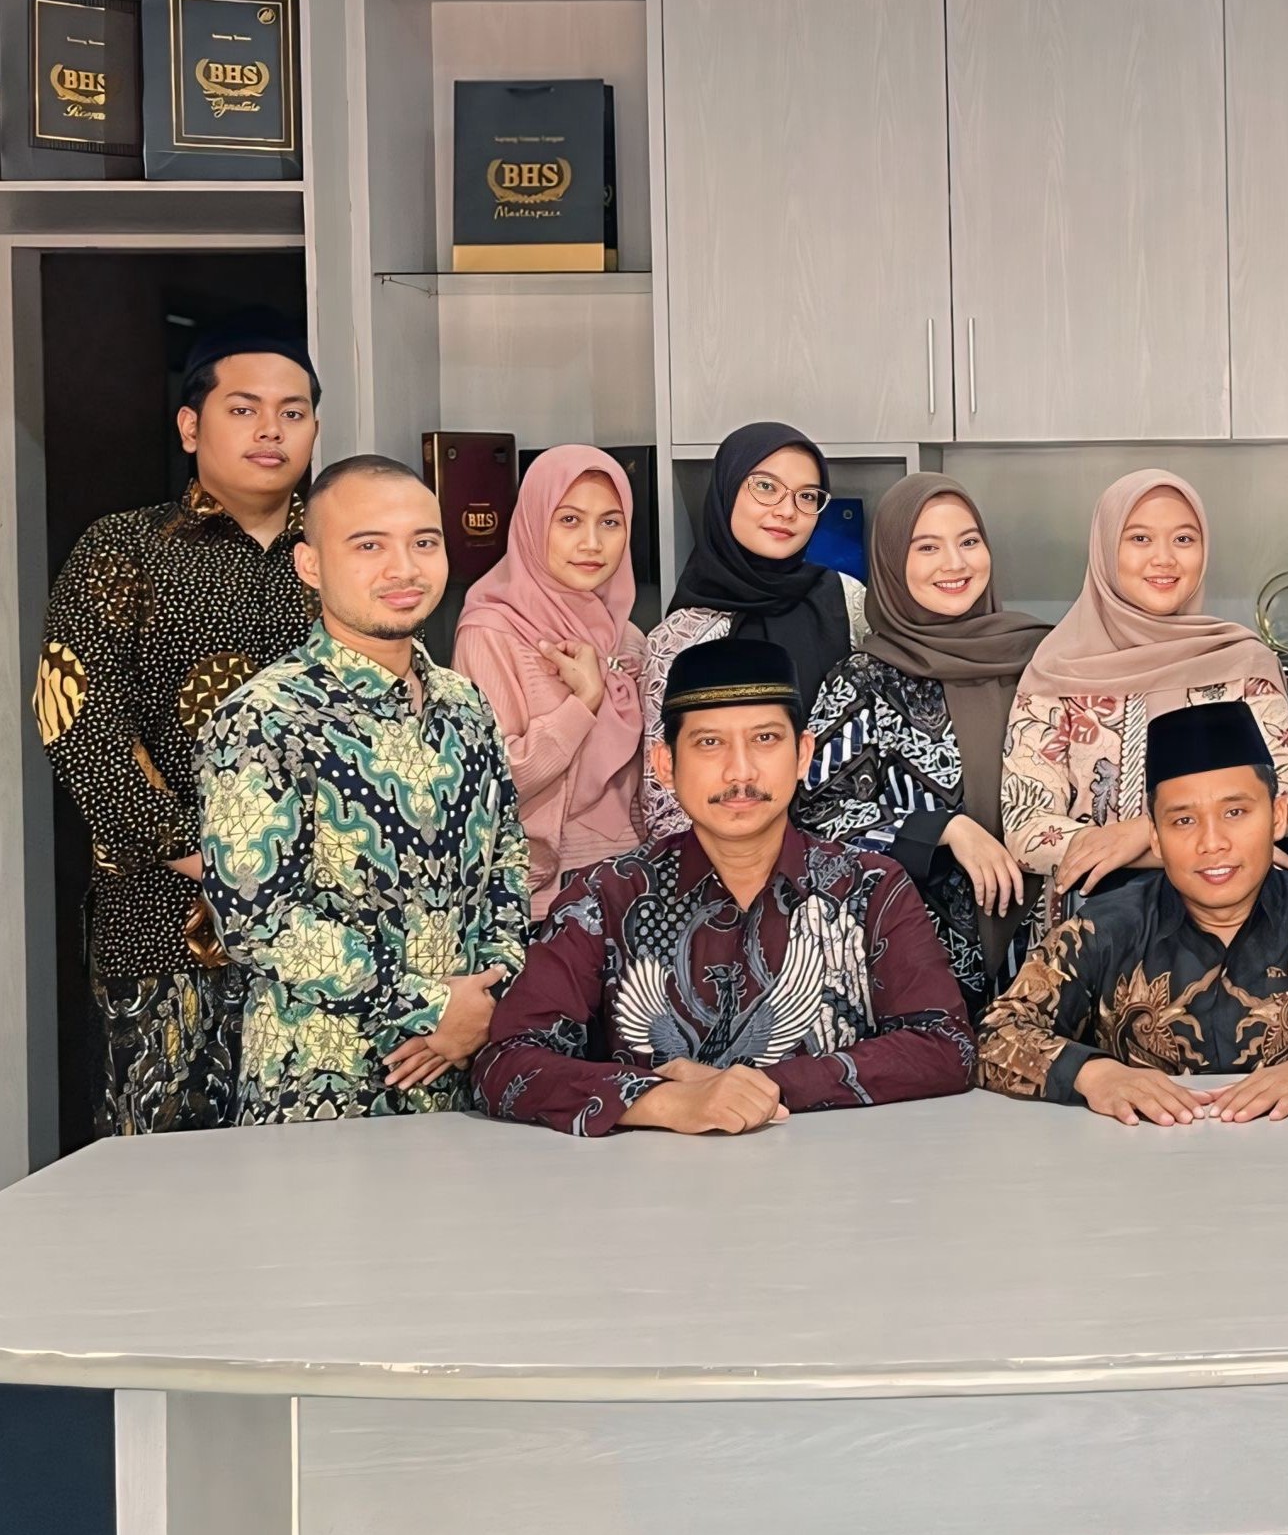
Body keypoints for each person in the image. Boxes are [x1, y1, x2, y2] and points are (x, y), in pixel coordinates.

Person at [474, 640, 975, 1135]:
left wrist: (762, 1089)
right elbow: (507, 1063)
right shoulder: (605, 896)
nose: (741, 772)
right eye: (710, 743)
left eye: (765, 739)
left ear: (803, 754)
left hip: (833, 1176)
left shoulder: (870, 888)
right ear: (665, 765)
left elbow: (945, 1046)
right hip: (649, 1181)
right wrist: (660, 1100)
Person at [31, 308, 322, 1136]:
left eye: (293, 411)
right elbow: (76, 718)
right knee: (164, 1173)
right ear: (191, 425)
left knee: (325, 1175)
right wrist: (205, 854)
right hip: (164, 925)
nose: (271, 430)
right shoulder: (125, 548)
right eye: (244, 408)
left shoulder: (346, 552)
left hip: (324, 935)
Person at [197, 455, 529, 1124]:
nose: (404, 568)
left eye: (424, 542)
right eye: (369, 545)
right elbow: (257, 920)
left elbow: (509, 863)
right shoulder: (264, 717)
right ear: (310, 564)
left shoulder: (465, 703)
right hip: (319, 1094)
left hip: (468, 1083)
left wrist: (487, 997)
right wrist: (432, 1006)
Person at [980, 700, 1288, 1125]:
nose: (1212, 843)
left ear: (1277, 816)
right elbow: (995, 1035)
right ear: (1154, 838)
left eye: (1235, 813)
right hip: (1145, 1170)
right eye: (1184, 820)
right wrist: (1095, 1075)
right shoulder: (1100, 931)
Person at [1001, 470, 1288, 936]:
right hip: (1094, 936)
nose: (1164, 558)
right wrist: (1185, 843)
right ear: (1105, 549)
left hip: (1239, 934)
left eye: (1184, 539)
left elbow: (1283, 805)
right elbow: (1026, 828)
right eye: (1139, 538)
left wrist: (1142, 833)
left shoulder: (1242, 664)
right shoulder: (1056, 672)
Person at [799, 473, 1050, 1012]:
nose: (954, 564)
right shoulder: (864, 681)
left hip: (1051, 951)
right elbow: (817, 816)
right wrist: (944, 829)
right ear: (892, 561)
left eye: (968, 541)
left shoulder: (1043, 664)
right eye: (927, 547)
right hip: (918, 955)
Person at [640, 419, 865, 841]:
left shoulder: (849, 601)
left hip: (847, 850)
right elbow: (665, 796)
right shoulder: (682, 635)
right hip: (723, 861)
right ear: (726, 491)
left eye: (807, 496)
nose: (787, 510)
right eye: (766, 487)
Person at [452, 444, 647, 912]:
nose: (592, 543)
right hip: (540, 902)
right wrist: (583, 703)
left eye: (610, 522)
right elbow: (490, 781)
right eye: (569, 520)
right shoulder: (490, 633)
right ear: (533, 522)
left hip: (635, 889)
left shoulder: (628, 637)